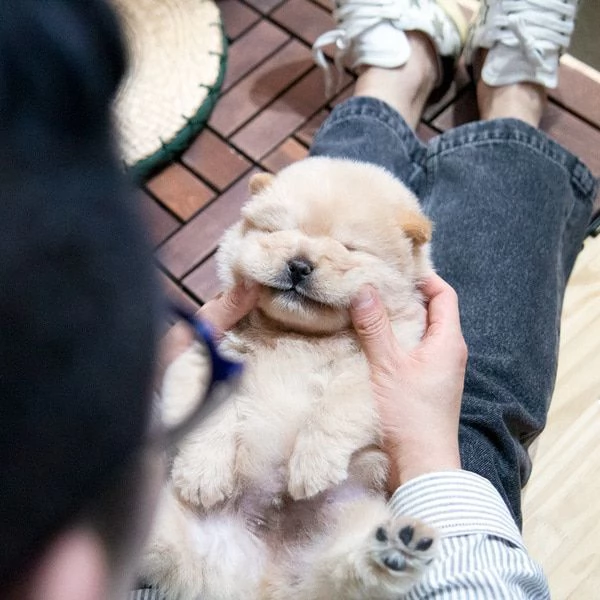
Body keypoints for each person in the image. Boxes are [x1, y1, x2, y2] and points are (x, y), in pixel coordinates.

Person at [0, 2, 594, 600]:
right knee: (475, 403)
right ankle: (511, 102)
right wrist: (426, 456)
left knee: (331, 190)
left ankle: (391, 79)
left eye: (345, 249)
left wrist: (155, 416)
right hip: (307, 542)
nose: (303, 260)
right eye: (281, 235)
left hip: (201, 555)